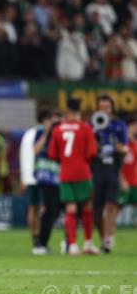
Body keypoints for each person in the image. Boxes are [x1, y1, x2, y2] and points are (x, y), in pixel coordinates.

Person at [48, 99, 99, 256]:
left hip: (65, 173)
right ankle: (88, 244)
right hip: (83, 173)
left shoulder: (58, 130)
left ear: (67, 112)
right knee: (87, 207)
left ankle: (73, 246)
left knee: (70, 209)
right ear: (79, 112)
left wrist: (65, 160)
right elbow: (93, 152)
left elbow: (52, 154)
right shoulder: (85, 128)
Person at [92, 94, 127, 253]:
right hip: (96, 168)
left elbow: (125, 150)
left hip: (112, 168)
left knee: (111, 204)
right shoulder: (92, 124)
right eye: (101, 107)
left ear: (112, 107)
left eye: (107, 107)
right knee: (97, 208)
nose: (104, 110)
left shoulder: (119, 125)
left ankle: (108, 238)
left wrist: (114, 143)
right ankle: (102, 237)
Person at [32, 110, 61, 255]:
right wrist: (47, 133)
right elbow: (35, 150)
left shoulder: (61, 132)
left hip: (59, 176)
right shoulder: (40, 132)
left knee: (54, 210)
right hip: (45, 176)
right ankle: (40, 244)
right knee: (49, 209)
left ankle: (42, 243)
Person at [19, 113, 43, 249]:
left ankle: (34, 237)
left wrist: (23, 177)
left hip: (29, 176)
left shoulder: (28, 135)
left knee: (33, 208)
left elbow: (22, 156)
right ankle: (37, 237)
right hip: (39, 176)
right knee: (38, 208)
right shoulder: (39, 134)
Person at [118, 116, 137, 225]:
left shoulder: (135, 144)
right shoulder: (122, 144)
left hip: (134, 182)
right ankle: (108, 235)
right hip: (123, 181)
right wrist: (121, 180)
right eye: (134, 125)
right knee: (116, 208)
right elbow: (117, 164)